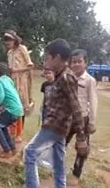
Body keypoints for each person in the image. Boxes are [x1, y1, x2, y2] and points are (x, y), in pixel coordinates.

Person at [24, 39, 88, 188]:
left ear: (57, 58)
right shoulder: (58, 75)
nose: (45, 61)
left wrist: (81, 137)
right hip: (60, 127)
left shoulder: (66, 77)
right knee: (58, 161)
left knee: (30, 152)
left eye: (47, 57)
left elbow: (76, 107)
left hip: (55, 126)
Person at [67, 49, 98, 186]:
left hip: (82, 119)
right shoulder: (67, 77)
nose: (76, 64)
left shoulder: (89, 80)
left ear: (85, 63)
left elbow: (93, 101)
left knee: (82, 149)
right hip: (67, 118)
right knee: (60, 143)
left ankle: (76, 175)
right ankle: (57, 166)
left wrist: (91, 122)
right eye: (73, 62)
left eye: (79, 61)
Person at [0, 63, 23, 158]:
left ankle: (7, 150)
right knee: (2, 126)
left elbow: (1, 96)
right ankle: (13, 148)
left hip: (11, 110)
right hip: (18, 109)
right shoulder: (8, 79)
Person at [4, 30, 34, 143]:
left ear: (14, 39)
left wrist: (16, 70)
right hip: (12, 81)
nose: (7, 42)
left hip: (22, 81)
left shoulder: (22, 48)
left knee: (20, 106)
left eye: (9, 40)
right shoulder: (9, 52)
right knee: (11, 105)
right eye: (6, 40)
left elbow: (30, 65)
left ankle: (19, 134)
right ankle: (12, 131)